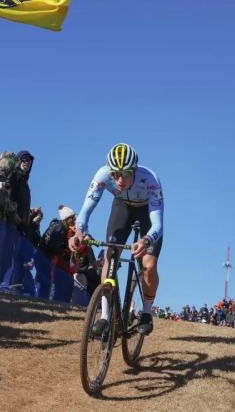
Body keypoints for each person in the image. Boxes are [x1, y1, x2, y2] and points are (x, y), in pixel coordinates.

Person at [72, 143, 164, 336]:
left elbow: (158, 225)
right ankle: (105, 316)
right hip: (122, 208)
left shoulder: (151, 180)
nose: (120, 180)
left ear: (135, 170)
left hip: (147, 212)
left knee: (148, 265)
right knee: (110, 255)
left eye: (126, 173)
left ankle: (146, 312)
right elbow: (86, 209)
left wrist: (146, 240)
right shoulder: (103, 175)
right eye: (115, 174)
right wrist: (79, 231)